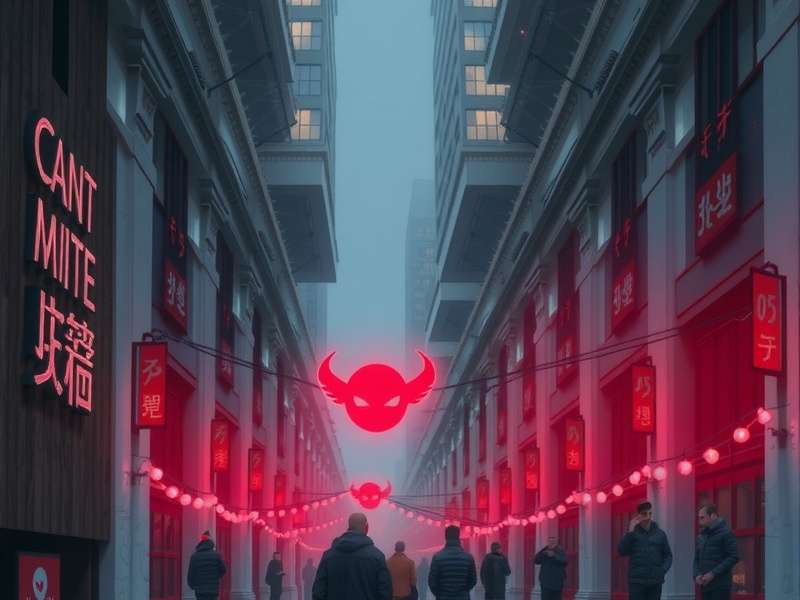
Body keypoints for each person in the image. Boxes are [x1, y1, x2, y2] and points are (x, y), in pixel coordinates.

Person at [312, 512, 392, 600]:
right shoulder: (377, 557)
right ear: (366, 528)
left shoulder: (328, 556)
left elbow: (318, 592)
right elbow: (385, 593)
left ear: (348, 528)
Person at [618, 501, 673, 600]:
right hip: (637, 582)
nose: (648, 517)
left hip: (655, 582)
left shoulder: (660, 534)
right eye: (644, 514)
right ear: (638, 516)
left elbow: (668, 555)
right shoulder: (632, 533)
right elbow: (622, 551)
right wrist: (630, 531)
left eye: (650, 513)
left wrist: (662, 570)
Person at [694, 503, 740, 600]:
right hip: (704, 586)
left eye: (702, 518)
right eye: (699, 518)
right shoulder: (701, 536)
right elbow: (696, 559)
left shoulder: (726, 533)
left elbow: (734, 556)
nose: (699, 521)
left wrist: (713, 573)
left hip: (720, 586)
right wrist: (697, 574)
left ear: (713, 516)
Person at [428, 525, 477, 600]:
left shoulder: (437, 557)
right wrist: (464, 591)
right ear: (458, 537)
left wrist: (439, 594)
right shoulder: (468, 558)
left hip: (443, 597)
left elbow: (432, 581)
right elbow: (473, 580)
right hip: (462, 597)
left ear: (446, 537)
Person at [187, 531, 227, 600]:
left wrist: (192, 586)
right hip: (213, 589)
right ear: (211, 544)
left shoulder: (195, 556)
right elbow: (223, 570)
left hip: (200, 590)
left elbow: (191, 573)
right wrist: (216, 578)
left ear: (200, 544)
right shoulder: (216, 555)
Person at [534, 536, 567, 600]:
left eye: (553, 541)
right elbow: (536, 560)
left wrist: (554, 556)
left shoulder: (560, 551)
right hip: (545, 581)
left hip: (557, 582)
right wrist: (543, 551)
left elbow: (565, 561)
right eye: (550, 541)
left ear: (556, 543)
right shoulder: (545, 550)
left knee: (556, 597)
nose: (551, 543)